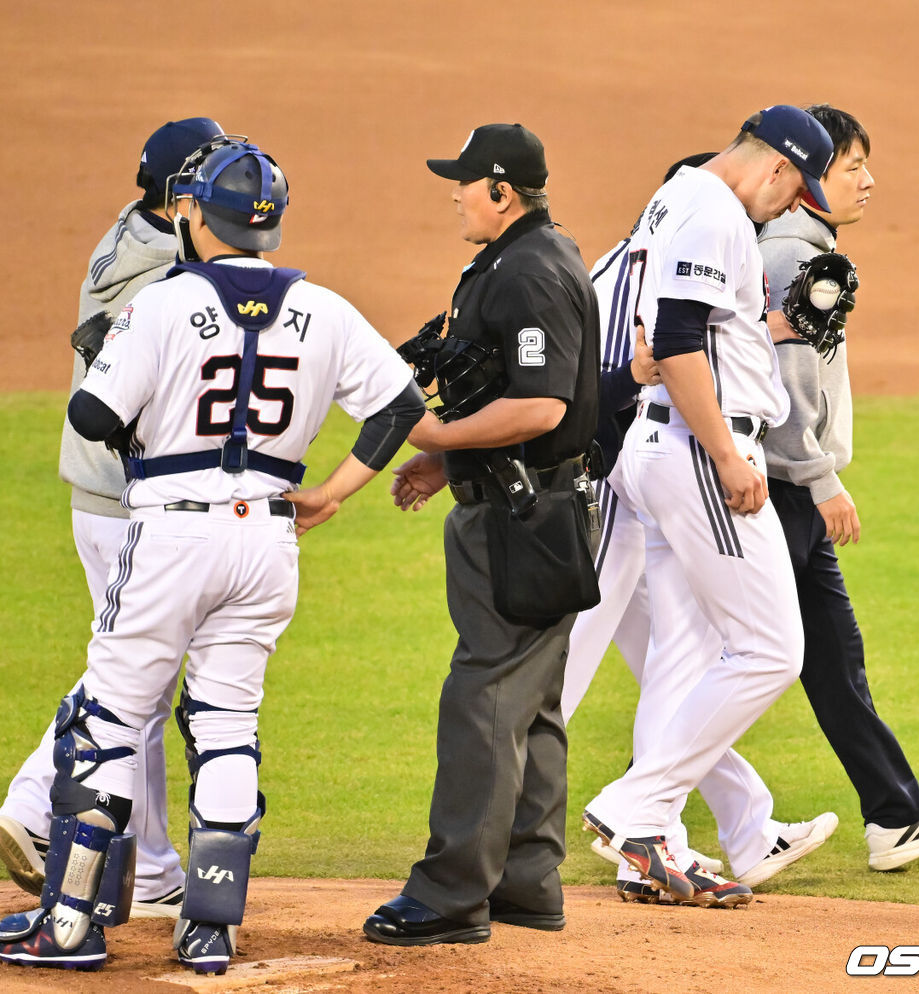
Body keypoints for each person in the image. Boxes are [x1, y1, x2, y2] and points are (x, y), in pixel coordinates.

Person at [0, 136, 423, 974]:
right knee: (228, 721)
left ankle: (72, 925)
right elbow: (399, 404)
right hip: (267, 539)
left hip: (170, 535)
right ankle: (210, 927)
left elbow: (90, 417)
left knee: (108, 721)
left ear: (194, 212)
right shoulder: (326, 308)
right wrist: (333, 491)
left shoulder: (162, 303)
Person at [323, 122, 599, 945]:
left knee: (483, 697)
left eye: (466, 182)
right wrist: (451, 468)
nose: (455, 193)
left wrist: (437, 440)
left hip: (521, 519)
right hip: (535, 503)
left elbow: (544, 404)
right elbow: (532, 397)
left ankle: (449, 896)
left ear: (503, 191)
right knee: (531, 704)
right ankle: (525, 881)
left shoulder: (528, 272)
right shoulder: (531, 256)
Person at [564, 155, 837, 908]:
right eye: (786, 191)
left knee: (679, 657)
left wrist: (770, 324)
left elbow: (702, 334)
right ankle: (623, 811)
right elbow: (671, 346)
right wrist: (722, 450)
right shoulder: (708, 222)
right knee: (766, 650)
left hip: (646, 455)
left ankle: (657, 842)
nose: (779, 209)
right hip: (662, 459)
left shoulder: (658, 225)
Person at [0, 117, 223, 918]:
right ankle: (30, 802)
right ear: (181, 191)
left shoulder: (130, 232)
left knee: (149, 681)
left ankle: (156, 868)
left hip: (98, 497)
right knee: (137, 667)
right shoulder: (167, 266)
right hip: (130, 501)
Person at [758, 104, 919, 870]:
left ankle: (895, 817)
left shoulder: (801, 246)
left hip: (787, 486)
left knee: (828, 658)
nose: (868, 180)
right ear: (808, 173)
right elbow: (788, 383)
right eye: (852, 166)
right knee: (743, 660)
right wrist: (822, 480)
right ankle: (641, 806)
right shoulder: (797, 254)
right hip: (784, 487)